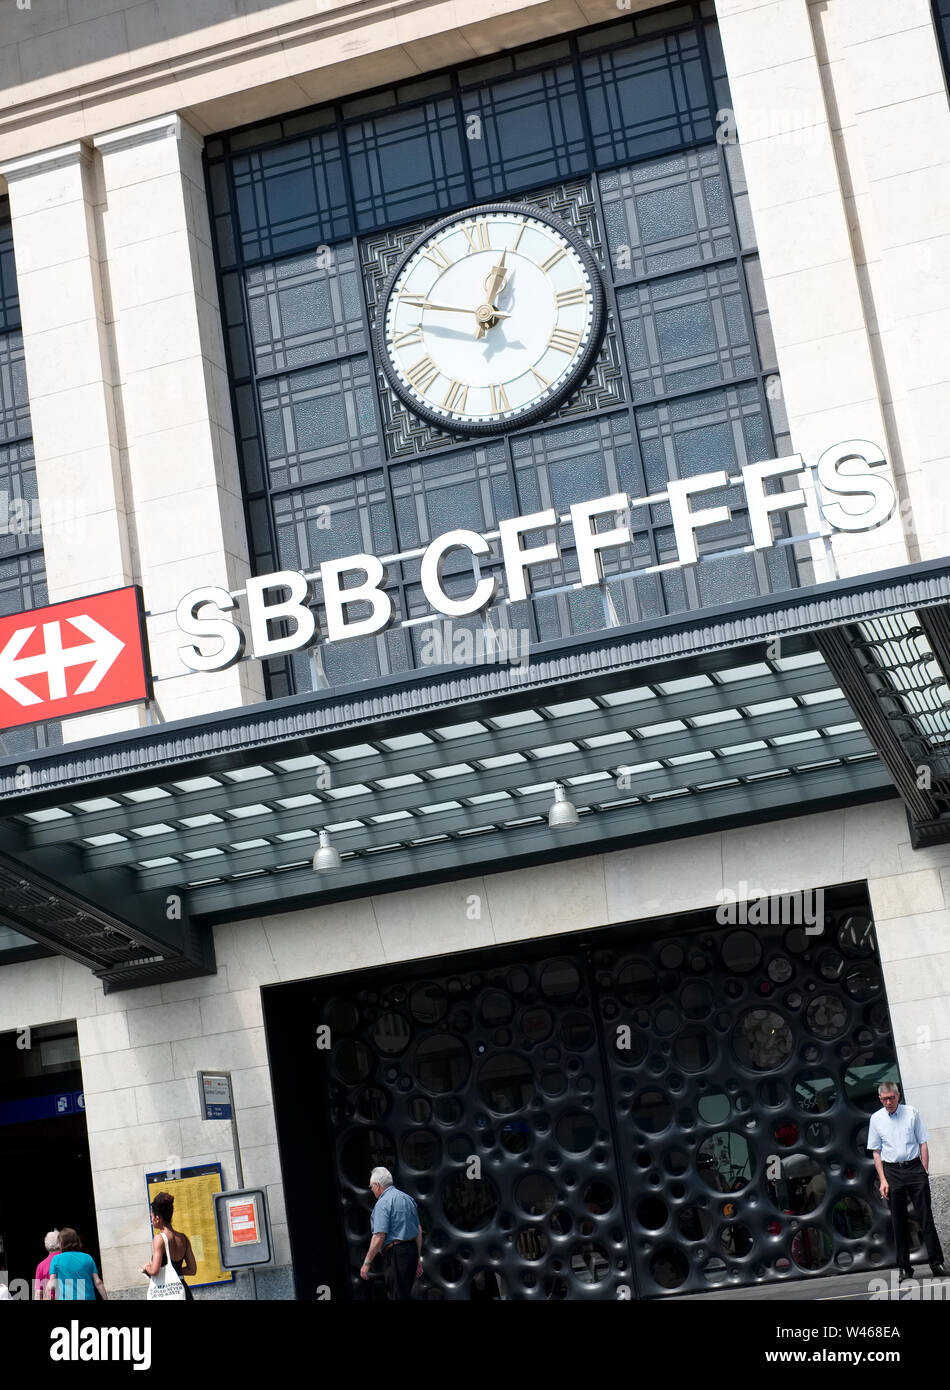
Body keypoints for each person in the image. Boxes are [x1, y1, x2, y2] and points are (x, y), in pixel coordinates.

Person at [867, 1080, 947, 1281]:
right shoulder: (876, 1119)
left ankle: (936, 1263)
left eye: (891, 1098)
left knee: (926, 1218)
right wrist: (883, 1180)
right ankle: (904, 1268)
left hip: (914, 1169)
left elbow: (923, 1143)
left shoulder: (912, 1112)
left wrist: (924, 1171)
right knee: (898, 1221)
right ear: (880, 1098)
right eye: (884, 1099)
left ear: (898, 1096)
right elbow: (876, 1153)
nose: (888, 1102)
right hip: (892, 1173)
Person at [360, 1167, 421, 1300]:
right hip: (412, 1251)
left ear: (377, 1185)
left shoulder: (383, 1203)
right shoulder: (408, 1199)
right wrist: (418, 1258)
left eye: (371, 1186)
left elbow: (379, 1236)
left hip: (396, 1254)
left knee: (397, 1295)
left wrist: (367, 1263)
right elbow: (418, 1230)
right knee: (407, 1294)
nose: (371, 1189)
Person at [142, 1191, 197, 1300]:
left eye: (151, 1216)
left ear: (157, 1218)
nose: (151, 1220)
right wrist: (175, 1271)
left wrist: (146, 1267)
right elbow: (192, 1270)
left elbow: (154, 1271)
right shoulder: (183, 1238)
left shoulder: (159, 1239)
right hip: (182, 1291)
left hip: (167, 1293)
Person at [45, 1228, 107, 1300]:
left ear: (61, 1243)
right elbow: (98, 1282)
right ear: (77, 1241)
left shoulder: (56, 1259)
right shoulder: (88, 1258)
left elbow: (51, 1283)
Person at [34, 1230, 60, 1301]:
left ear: (45, 1246)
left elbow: (38, 1294)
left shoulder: (41, 1266)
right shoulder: (68, 1260)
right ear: (61, 1244)